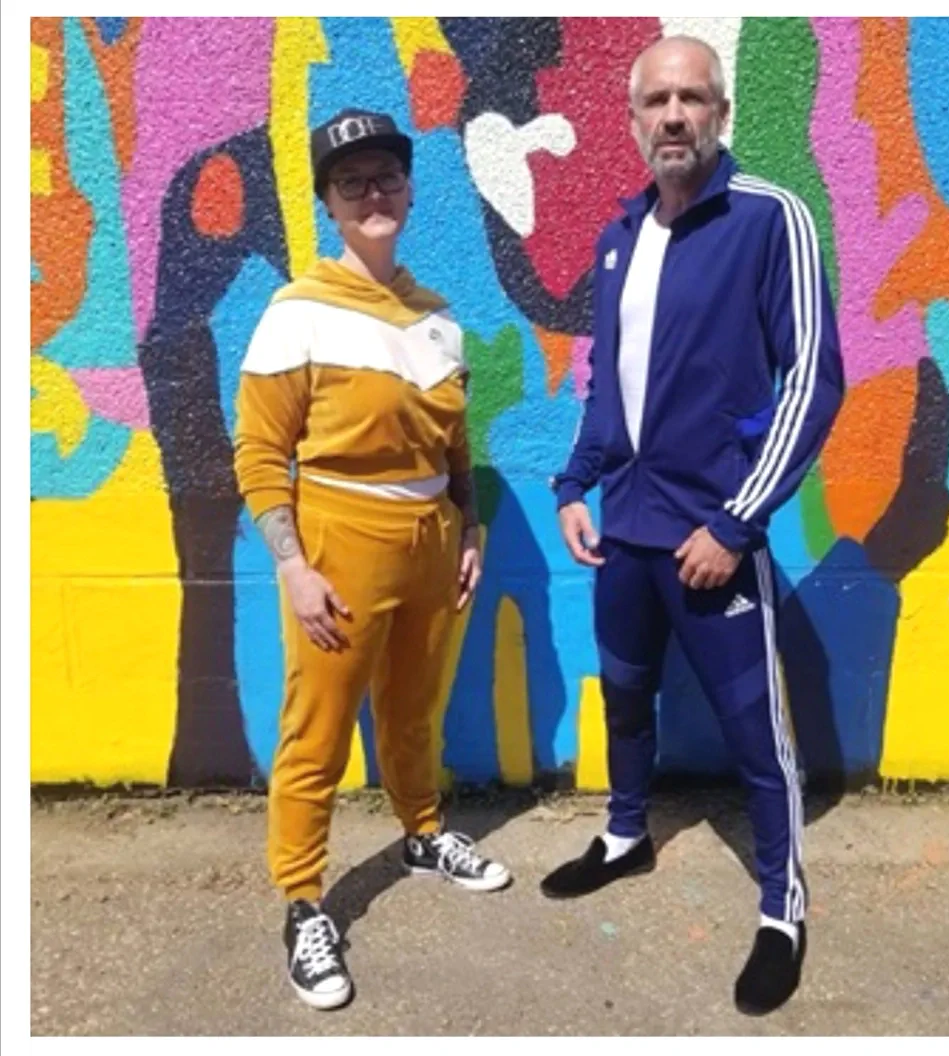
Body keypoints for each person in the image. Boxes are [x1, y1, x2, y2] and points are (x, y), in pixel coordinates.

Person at [543, 36, 844, 1016]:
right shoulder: (620, 234)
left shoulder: (768, 217)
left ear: (721, 111)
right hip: (623, 536)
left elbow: (812, 382)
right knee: (627, 697)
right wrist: (574, 485)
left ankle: (781, 911)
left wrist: (736, 521)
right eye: (656, 100)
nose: (674, 115)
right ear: (633, 119)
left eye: (692, 97)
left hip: (712, 540)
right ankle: (625, 834)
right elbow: (607, 382)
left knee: (757, 736)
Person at [233, 108, 511, 1011]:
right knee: (315, 730)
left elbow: (455, 447)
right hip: (338, 539)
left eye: (386, 175)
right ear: (328, 204)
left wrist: (470, 529)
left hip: (432, 541)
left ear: (409, 189)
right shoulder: (296, 314)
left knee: (413, 709)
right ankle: (303, 902)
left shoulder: (437, 319)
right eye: (351, 182)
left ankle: (423, 833)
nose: (372, 193)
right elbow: (259, 454)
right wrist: (293, 564)